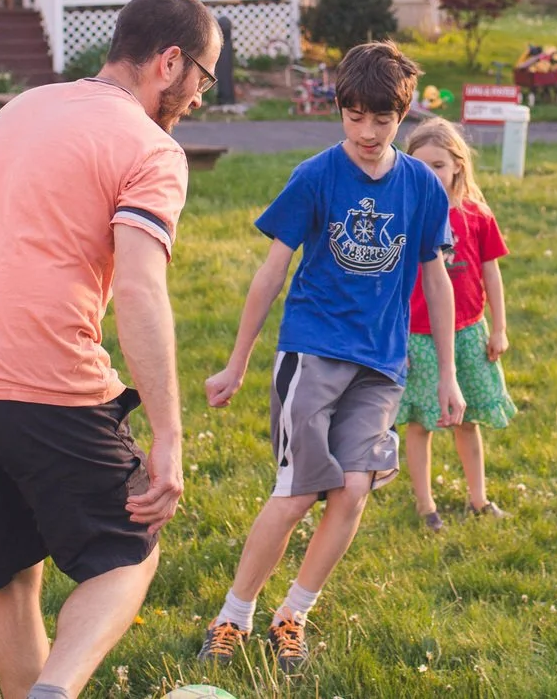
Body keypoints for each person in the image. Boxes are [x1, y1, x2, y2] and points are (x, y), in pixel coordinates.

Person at [0, 0, 220, 699]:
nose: (200, 96)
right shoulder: (151, 148)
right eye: (202, 77)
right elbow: (139, 289)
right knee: (126, 553)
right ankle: (56, 690)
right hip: (44, 381)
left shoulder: (22, 107)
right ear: (169, 62)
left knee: (13, 575)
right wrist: (167, 434)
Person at [199, 41, 465, 673]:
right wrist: (237, 363)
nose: (368, 132)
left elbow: (436, 280)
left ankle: (292, 615)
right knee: (297, 494)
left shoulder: (423, 187)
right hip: (312, 353)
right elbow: (270, 275)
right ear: (339, 108)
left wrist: (448, 374)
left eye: (383, 119)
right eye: (355, 117)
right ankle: (231, 617)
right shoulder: (316, 176)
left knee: (353, 490)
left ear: (403, 115)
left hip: (382, 365)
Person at [398, 118, 518, 530]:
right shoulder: (405, 217)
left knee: (468, 422)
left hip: (469, 332)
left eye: (438, 166)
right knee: (420, 423)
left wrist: (499, 328)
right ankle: (425, 505)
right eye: (420, 166)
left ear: (457, 167)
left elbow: (492, 274)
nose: (430, 174)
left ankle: (478, 498)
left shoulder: (477, 216)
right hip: (418, 337)